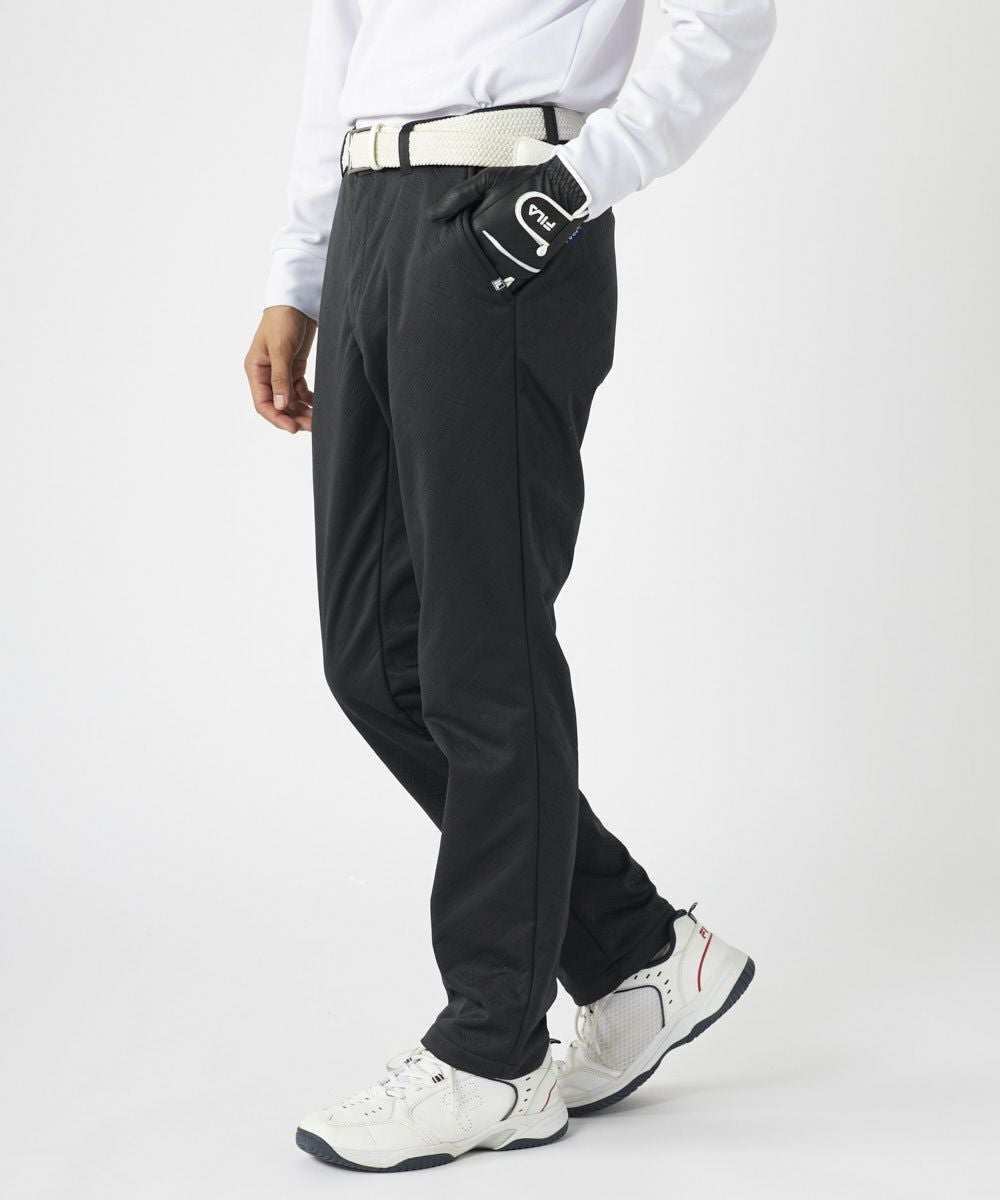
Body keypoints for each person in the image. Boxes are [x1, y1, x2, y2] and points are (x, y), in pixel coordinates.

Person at [244, 0, 776, 1174]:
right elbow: (343, 41)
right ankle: (639, 952)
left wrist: (573, 187)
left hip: (506, 207)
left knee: (481, 649)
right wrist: (300, 272)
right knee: (378, 661)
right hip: (369, 217)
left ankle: (494, 1056)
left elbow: (730, 16)